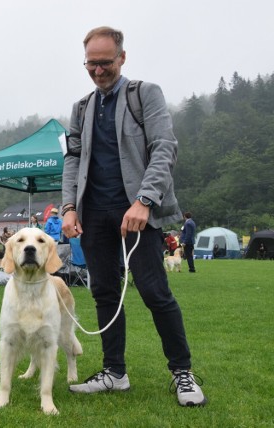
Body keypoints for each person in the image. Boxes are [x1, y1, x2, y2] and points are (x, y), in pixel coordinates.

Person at [61, 26, 206, 406]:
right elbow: (72, 160)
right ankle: (114, 373)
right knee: (104, 292)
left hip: (138, 214)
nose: (97, 71)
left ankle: (183, 373)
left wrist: (144, 200)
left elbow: (164, 148)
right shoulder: (80, 108)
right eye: (90, 64)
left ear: (122, 58)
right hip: (94, 215)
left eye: (105, 63)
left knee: (155, 291)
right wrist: (69, 208)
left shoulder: (145, 94)